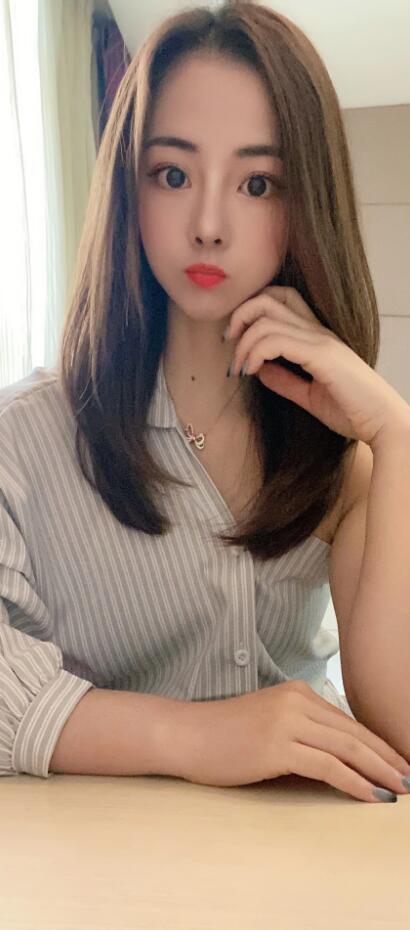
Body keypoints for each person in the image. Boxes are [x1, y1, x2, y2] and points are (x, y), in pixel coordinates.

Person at [1, 0, 409, 804]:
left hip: (302, 852)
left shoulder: (339, 454)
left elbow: (400, 729)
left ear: (305, 205)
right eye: (174, 175)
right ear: (129, 187)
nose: (210, 225)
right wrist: (190, 735)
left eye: (257, 183)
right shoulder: (24, 440)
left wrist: (396, 435)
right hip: (97, 864)